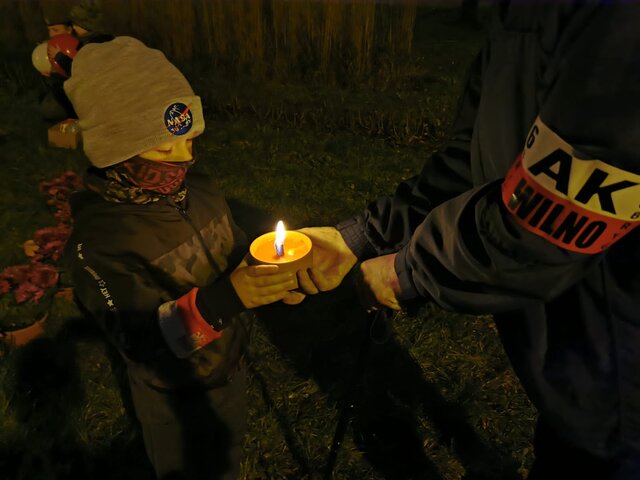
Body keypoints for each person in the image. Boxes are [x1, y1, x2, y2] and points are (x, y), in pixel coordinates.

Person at [297, 2, 640, 479]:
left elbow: (557, 214)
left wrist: (410, 272)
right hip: (573, 374)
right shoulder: (517, 15)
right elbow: (472, 162)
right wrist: (359, 237)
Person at [62, 36, 303, 479]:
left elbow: (234, 248)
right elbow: (139, 340)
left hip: (227, 370)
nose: (184, 159)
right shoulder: (101, 243)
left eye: (190, 140)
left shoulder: (202, 191)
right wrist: (227, 300)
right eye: (163, 146)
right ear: (117, 150)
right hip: (172, 398)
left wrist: (270, 274)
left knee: (225, 461)